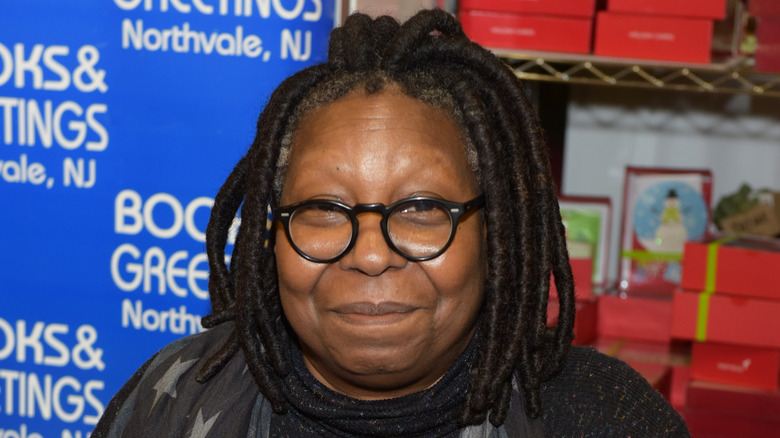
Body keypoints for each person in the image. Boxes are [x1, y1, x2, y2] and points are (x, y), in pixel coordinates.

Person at [94, 9, 689, 437]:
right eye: (323, 209)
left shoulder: (603, 417)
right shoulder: (167, 401)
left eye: (423, 209)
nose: (372, 255)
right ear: (269, 236)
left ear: (495, 235)